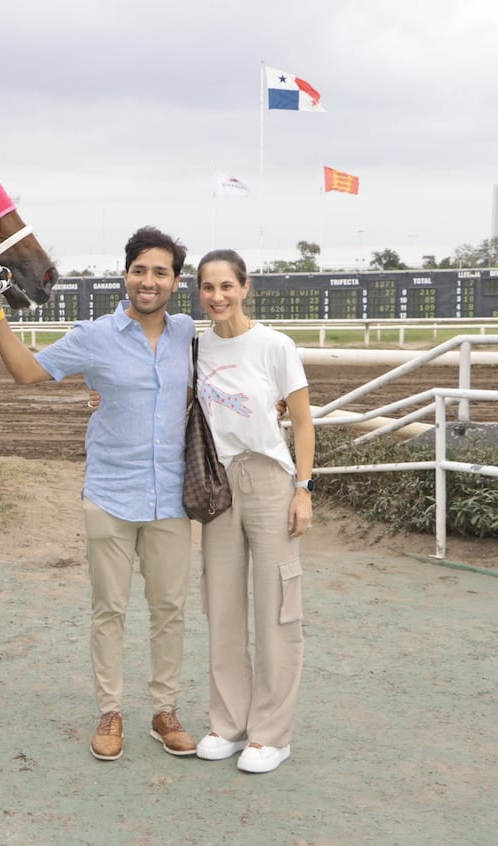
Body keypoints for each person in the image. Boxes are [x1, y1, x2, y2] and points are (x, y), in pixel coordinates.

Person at [0, 226, 197, 761]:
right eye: (140, 270)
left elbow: (223, 383)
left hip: (171, 498)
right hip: (109, 496)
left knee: (169, 610)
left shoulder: (190, 333)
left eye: (160, 272)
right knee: (109, 610)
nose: (149, 281)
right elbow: (27, 371)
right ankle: (111, 711)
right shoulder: (94, 336)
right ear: (126, 274)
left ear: (175, 282)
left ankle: (164, 710)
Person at [191, 249, 314, 774]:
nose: (217, 296)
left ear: (245, 287)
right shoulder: (194, 348)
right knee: (221, 606)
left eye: (226, 286)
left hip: (269, 481)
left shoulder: (274, 346)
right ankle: (229, 724)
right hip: (219, 484)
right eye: (207, 287)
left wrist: (303, 488)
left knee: (277, 607)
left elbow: (304, 421)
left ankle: (271, 733)